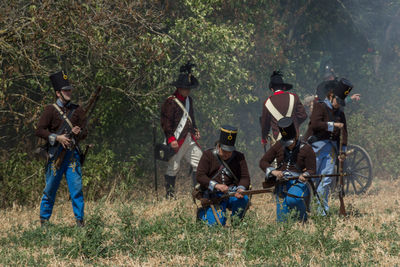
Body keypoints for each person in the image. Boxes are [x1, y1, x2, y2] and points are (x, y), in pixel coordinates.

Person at [35, 70, 87, 227]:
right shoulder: (50, 110)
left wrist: (78, 133)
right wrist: (57, 138)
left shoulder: (78, 110)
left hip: (72, 156)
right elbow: (39, 130)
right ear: (58, 93)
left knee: (76, 190)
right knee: (50, 190)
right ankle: (44, 221)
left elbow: (85, 132)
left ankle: (80, 221)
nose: (69, 92)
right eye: (65, 90)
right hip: (55, 155)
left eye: (69, 89)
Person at [305, 78, 353, 215]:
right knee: (310, 179)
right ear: (331, 96)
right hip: (315, 148)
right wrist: (332, 125)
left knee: (326, 181)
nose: (339, 105)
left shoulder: (340, 113)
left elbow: (344, 133)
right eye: (338, 101)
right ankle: (305, 211)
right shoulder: (319, 106)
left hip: (331, 151)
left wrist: (342, 151)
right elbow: (315, 124)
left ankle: (322, 213)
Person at [259, 117, 316, 222]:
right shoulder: (279, 145)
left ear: (296, 136)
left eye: (290, 143)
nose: (288, 146)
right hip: (282, 184)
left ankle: (303, 220)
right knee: (282, 222)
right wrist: (274, 172)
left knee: (292, 199)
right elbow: (263, 162)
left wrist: (305, 174)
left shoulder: (306, 149)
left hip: (299, 183)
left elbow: (312, 169)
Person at [161, 62, 202, 198]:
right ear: (179, 88)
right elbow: (166, 123)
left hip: (188, 139)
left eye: (188, 88)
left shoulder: (189, 100)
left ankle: (197, 192)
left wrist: (195, 129)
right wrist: (171, 139)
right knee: (173, 167)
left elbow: (191, 118)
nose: (187, 90)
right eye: (185, 88)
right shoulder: (171, 102)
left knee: (200, 162)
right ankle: (170, 196)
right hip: (176, 140)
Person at [196, 126, 250, 226]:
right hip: (214, 195)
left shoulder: (239, 157)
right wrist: (216, 185)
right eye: (224, 151)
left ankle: (236, 224)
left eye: (230, 151)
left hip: (232, 193)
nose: (227, 154)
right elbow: (200, 176)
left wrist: (241, 188)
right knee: (218, 224)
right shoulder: (208, 155)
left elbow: (245, 177)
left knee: (243, 199)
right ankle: (202, 214)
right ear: (219, 146)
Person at [261, 71, 307, 148]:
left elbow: (265, 125)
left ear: (272, 89)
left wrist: (264, 140)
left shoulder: (267, 103)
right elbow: (303, 116)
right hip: (295, 139)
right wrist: (294, 124)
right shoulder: (294, 97)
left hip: (279, 142)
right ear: (284, 87)